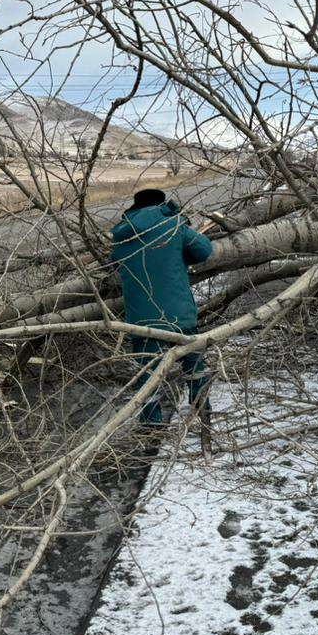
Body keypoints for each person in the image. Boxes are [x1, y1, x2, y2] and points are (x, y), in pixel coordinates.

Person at [110, 188, 215, 447]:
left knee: (149, 374)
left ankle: (151, 426)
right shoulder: (172, 223)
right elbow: (203, 251)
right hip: (179, 314)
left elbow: (114, 264)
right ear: (161, 203)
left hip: (141, 319)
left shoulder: (122, 234)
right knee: (194, 365)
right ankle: (203, 409)